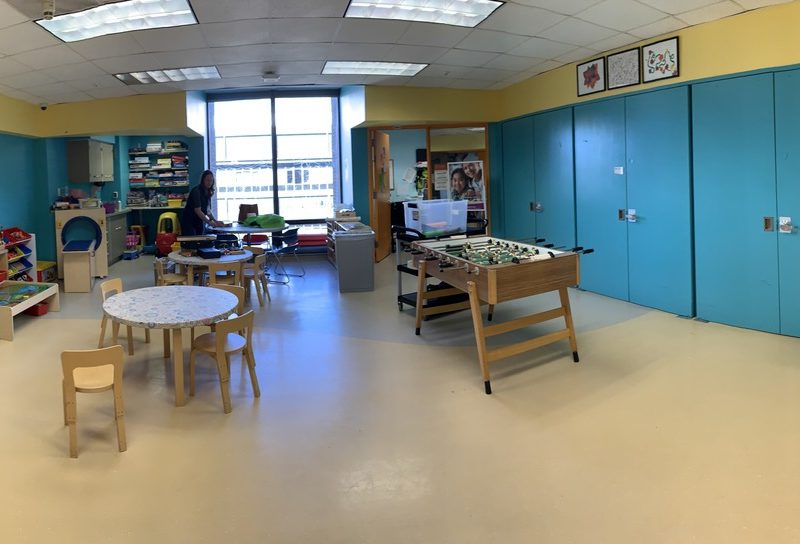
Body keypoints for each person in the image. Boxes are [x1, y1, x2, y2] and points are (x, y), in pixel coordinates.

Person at [181, 170, 225, 235]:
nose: (209, 182)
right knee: (192, 239)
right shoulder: (196, 191)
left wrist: (215, 221)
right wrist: (209, 222)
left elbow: (208, 211)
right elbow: (197, 210)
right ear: (203, 180)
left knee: (200, 238)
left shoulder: (208, 192)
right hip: (189, 220)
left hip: (199, 220)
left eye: (211, 180)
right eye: (207, 180)